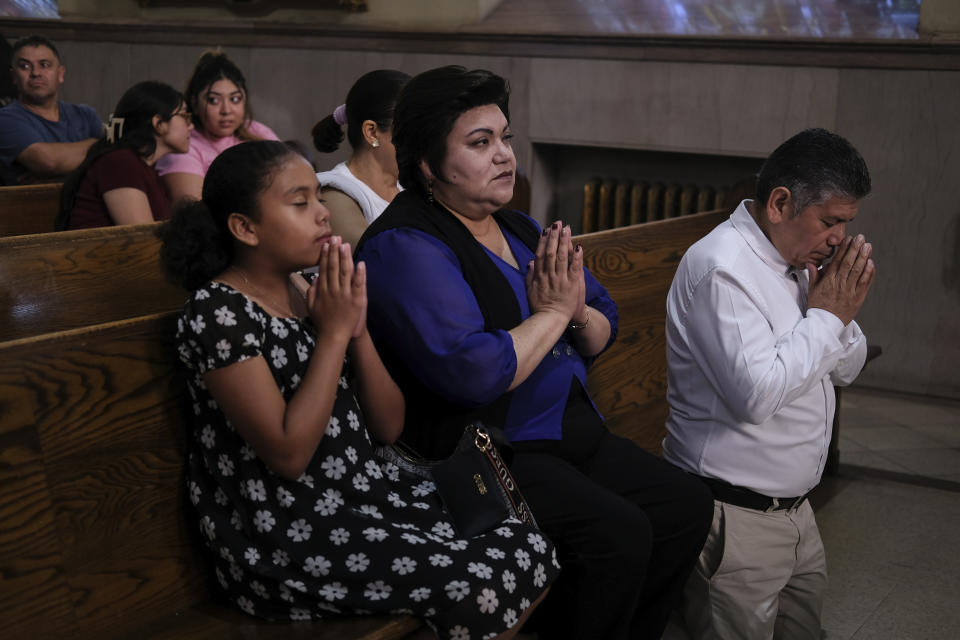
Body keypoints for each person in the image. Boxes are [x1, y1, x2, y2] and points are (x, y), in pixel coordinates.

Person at [355, 65, 713, 640]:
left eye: (504, 139)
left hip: (569, 435)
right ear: (425, 164)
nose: (503, 156)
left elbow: (603, 319)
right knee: (617, 533)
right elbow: (473, 372)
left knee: (685, 507)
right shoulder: (405, 244)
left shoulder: (517, 227)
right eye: (479, 143)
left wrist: (573, 313)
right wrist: (553, 314)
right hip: (488, 456)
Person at [158, 139, 556, 639]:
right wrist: (332, 335)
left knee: (526, 545)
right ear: (245, 227)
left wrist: (358, 331)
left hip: (362, 496)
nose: (322, 215)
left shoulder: (310, 290)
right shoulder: (217, 313)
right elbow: (288, 455)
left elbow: (388, 428)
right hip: (284, 531)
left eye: (318, 199)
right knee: (482, 579)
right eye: (300, 203)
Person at [662, 128, 876, 640]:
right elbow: (756, 396)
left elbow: (847, 367)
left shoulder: (799, 262)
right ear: (780, 202)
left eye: (846, 224)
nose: (838, 239)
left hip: (798, 512)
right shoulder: (723, 270)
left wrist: (834, 317)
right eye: (830, 222)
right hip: (735, 517)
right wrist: (827, 319)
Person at [58, 81, 190, 230]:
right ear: (159, 123)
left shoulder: (145, 167)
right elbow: (143, 238)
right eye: (184, 116)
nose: (191, 126)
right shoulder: (120, 163)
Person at [156, 50, 278, 203]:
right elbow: (194, 212)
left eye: (235, 99)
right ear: (194, 103)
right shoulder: (183, 146)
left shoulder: (257, 131)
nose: (226, 110)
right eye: (214, 100)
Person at [312, 69, 409, 246]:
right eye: (412, 130)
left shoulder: (411, 187)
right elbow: (377, 254)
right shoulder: (334, 191)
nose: (424, 141)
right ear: (372, 132)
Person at [0, 35, 102, 184]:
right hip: (33, 206)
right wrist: (101, 146)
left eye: (45, 65)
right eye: (25, 66)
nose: (36, 73)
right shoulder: (5, 120)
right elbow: (48, 162)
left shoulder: (86, 115)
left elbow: (112, 161)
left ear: (60, 74)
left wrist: (53, 175)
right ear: (14, 76)